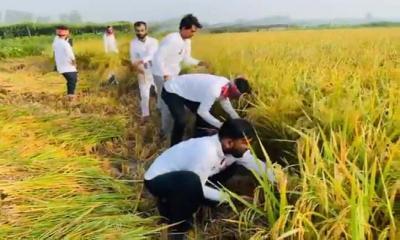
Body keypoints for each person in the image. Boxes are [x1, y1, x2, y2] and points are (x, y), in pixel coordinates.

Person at [144, 119, 275, 233]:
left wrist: (279, 180)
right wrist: (227, 198)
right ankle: (178, 226)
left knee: (233, 164)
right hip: (158, 180)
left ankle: (198, 200)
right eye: (245, 143)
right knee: (192, 182)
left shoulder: (232, 150)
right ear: (229, 142)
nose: (248, 148)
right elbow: (196, 185)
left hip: (186, 176)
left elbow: (255, 164)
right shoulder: (206, 152)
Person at [152, 14, 208, 137]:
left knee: (172, 101)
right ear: (183, 28)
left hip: (173, 75)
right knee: (167, 103)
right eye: (192, 31)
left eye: (195, 31)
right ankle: (165, 132)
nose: (193, 34)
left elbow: (186, 58)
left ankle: (171, 125)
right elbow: (158, 58)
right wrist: (165, 74)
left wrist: (199, 62)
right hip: (161, 74)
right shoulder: (172, 39)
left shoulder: (187, 41)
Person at [162, 73, 251, 146]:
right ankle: (174, 147)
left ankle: (197, 141)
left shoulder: (226, 85)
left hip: (188, 92)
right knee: (181, 120)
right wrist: (220, 125)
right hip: (172, 90)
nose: (235, 98)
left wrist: (238, 119)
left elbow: (226, 104)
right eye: (236, 96)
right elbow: (202, 112)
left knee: (203, 119)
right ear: (233, 90)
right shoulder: (214, 89)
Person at [130, 21, 159, 124]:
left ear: (146, 30)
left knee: (159, 91)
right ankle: (145, 115)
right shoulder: (133, 43)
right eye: (137, 31)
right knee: (144, 94)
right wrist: (138, 68)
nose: (140, 33)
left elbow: (152, 55)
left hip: (155, 70)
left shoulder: (154, 41)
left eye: (142, 30)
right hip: (142, 70)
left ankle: (160, 111)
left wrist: (141, 61)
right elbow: (133, 59)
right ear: (135, 31)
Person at [52, 25, 78, 100]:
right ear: (66, 33)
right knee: (72, 80)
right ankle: (71, 97)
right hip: (68, 66)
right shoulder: (65, 44)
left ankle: (70, 95)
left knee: (71, 80)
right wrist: (74, 63)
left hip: (60, 65)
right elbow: (71, 55)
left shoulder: (56, 42)